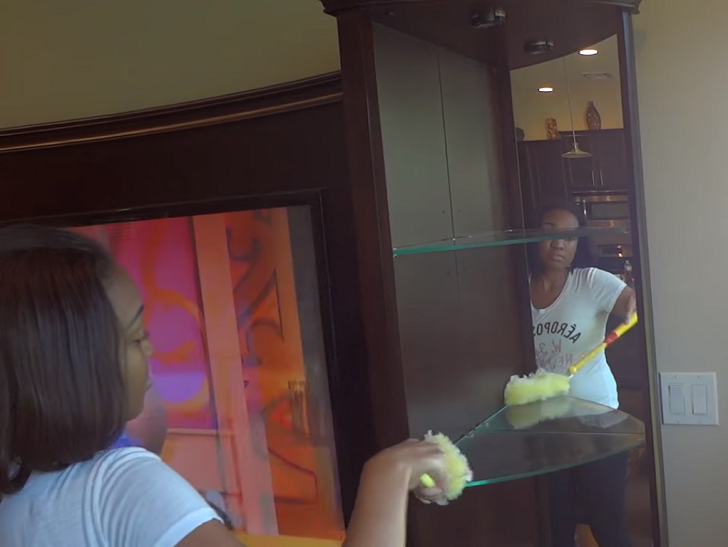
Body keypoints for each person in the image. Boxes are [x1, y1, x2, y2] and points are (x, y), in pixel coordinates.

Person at [0, 224, 447, 547]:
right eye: (136, 337)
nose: (151, 349)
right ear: (76, 368)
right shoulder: (120, 483)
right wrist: (387, 476)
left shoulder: (17, 484)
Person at [528, 200, 636, 547]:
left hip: (597, 420)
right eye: (549, 234)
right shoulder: (514, 287)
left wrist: (635, 304)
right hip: (542, 423)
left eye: (570, 237)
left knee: (606, 522)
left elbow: (631, 301)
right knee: (554, 524)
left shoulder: (590, 281)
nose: (559, 244)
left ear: (578, 245)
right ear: (532, 238)